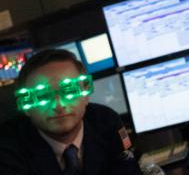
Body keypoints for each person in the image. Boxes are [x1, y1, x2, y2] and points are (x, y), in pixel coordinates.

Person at [0, 49, 142, 174]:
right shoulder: (7, 149)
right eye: (42, 95)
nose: (59, 105)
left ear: (86, 94)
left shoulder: (106, 121)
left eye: (69, 90)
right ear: (26, 106)